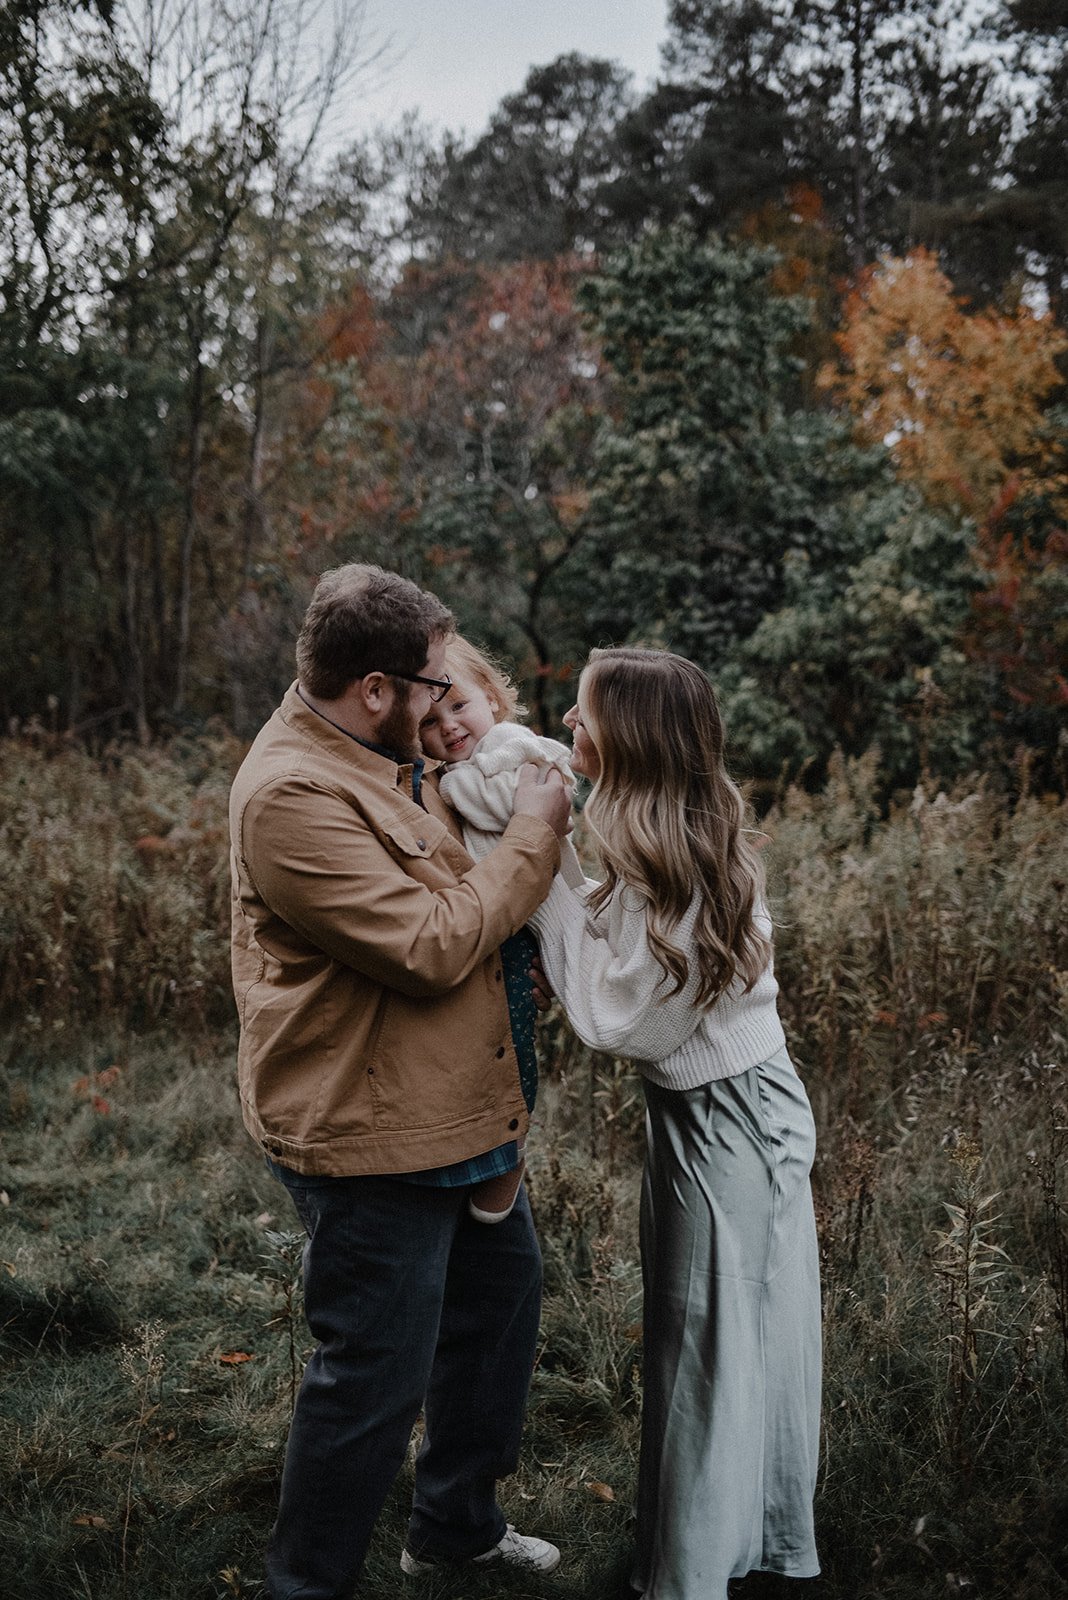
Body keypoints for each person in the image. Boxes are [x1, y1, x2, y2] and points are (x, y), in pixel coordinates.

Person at [228, 563, 572, 1600]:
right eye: (428, 685)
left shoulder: (379, 748)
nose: (438, 705)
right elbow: (428, 943)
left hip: (460, 1106)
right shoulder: (293, 795)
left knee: (497, 1313)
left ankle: (456, 1527)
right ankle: (308, 1583)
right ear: (373, 685)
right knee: (373, 1377)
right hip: (371, 1124)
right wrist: (536, 835)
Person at [528, 646, 822, 1600]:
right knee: (707, 1337)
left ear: (632, 741)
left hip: (732, 1123)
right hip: (709, 1116)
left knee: (711, 1345)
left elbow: (621, 1020)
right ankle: (733, 1549)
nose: (568, 728)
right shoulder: (661, 830)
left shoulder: (687, 872)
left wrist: (545, 873)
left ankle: (691, 1577)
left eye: (580, 718)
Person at [417, 635, 584, 1225]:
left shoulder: (507, 748)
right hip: (506, 909)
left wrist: (446, 783)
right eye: (431, 720)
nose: (449, 726)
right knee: (505, 1036)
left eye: (459, 706)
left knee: (514, 1041)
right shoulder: (463, 765)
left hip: (530, 911)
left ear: (491, 697)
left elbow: (507, 807)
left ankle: (510, 1154)